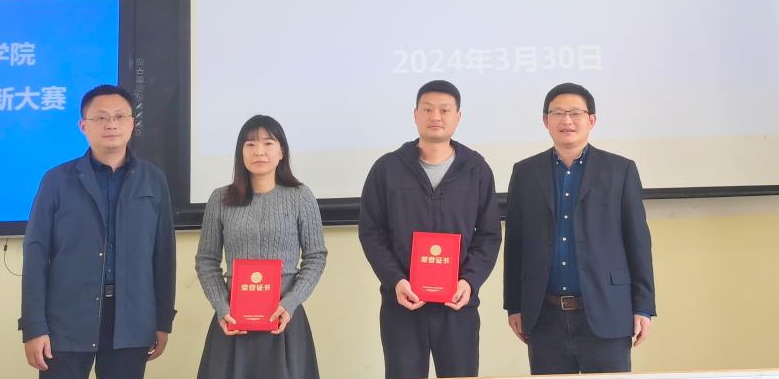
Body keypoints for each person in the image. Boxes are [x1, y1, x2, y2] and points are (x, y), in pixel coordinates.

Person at [19, 84, 176, 379]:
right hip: (66, 318)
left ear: (132, 123)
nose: (111, 124)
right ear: (84, 126)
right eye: (101, 117)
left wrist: (163, 321)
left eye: (119, 116)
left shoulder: (153, 180)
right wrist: (34, 326)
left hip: (132, 319)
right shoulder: (57, 180)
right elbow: (36, 255)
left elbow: (163, 255)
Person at [503, 83, 656, 374]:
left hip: (607, 312)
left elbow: (638, 242)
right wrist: (514, 305)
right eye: (557, 113)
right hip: (544, 318)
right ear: (546, 120)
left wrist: (643, 306)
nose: (567, 120)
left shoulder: (620, 170)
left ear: (591, 120)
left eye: (575, 113)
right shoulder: (525, 172)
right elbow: (515, 244)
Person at [359, 80, 501, 379]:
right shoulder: (387, 168)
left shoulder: (476, 169)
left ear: (458, 117)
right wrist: (396, 280)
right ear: (415, 114)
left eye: (444, 110)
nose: (435, 116)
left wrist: (469, 281)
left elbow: (489, 235)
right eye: (427, 109)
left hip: (458, 305)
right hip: (403, 305)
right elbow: (372, 233)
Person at [195, 114, 328, 379]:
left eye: (268, 143)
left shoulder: (301, 196)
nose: (259, 151)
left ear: (281, 152)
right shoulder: (220, 199)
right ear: (240, 152)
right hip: (233, 320)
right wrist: (222, 306)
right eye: (250, 144)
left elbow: (315, 257)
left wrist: (290, 302)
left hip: (284, 319)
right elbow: (206, 261)